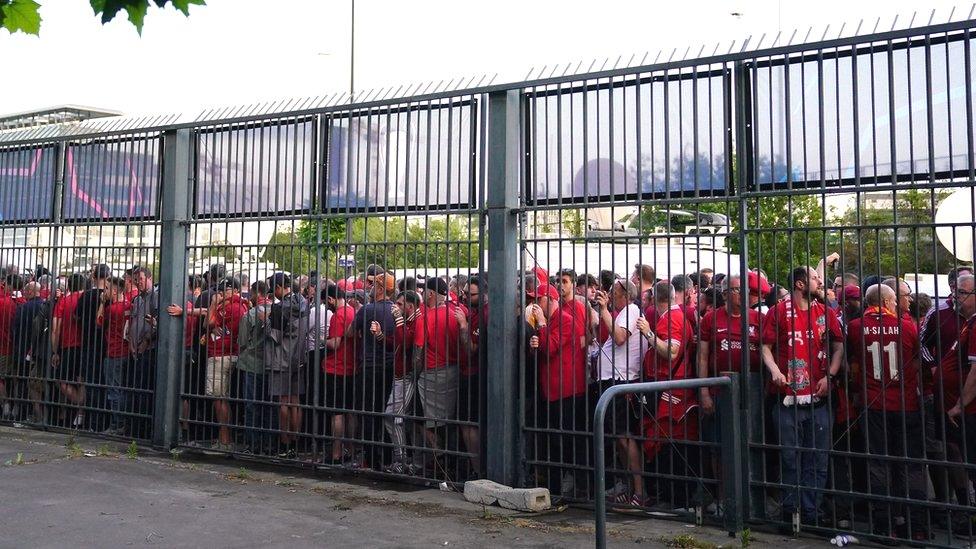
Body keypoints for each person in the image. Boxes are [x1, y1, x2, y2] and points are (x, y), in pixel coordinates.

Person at [760, 266, 844, 529]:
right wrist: (774, 370)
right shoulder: (778, 312)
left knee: (817, 459)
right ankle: (790, 511)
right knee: (789, 457)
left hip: (818, 398)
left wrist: (830, 376)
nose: (820, 282)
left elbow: (838, 346)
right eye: (815, 278)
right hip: (786, 398)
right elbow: (765, 347)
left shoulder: (826, 312)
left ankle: (811, 512)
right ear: (799, 284)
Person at [846, 283, 927, 542]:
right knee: (910, 463)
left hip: (873, 403)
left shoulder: (856, 327)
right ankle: (917, 525)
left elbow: (854, 364)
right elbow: (916, 361)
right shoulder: (907, 326)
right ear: (886, 301)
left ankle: (883, 524)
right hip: (905, 403)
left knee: (878, 462)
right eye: (895, 299)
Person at [698, 273, 761, 516]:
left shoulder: (757, 318)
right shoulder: (711, 319)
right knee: (719, 446)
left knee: (751, 444)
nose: (742, 293)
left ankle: (752, 497)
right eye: (736, 289)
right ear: (725, 294)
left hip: (751, 391)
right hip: (720, 390)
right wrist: (704, 391)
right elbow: (702, 356)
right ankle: (724, 497)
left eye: (745, 289)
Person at [920, 266, 975, 521]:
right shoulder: (938, 312)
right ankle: (962, 504)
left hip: (968, 397)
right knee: (952, 450)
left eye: (966, 292)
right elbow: (921, 344)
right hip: (946, 395)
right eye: (959, 290)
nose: (960, 296)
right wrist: (934, 366)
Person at [527, 271, 588, 496]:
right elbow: (543, 349)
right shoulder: (550, 320)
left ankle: (580, 487)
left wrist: (541, 327)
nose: (534, 304)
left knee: (569, 440)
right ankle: (554, 486)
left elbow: (551, 347)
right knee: (552, 440)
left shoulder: (565, 320)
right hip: (551, 390)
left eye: (538, 300)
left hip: (567, 390)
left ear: (549, 300)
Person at [593, 279, 647, 507]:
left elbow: (620, 337)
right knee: (617, 437)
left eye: (614, 292)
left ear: (625, 293)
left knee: (625, 437)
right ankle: (628, 485)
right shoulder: (624, 312)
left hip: (621, 380)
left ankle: (640, 491)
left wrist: (604, 310)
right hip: (612, 380)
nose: (610, 295)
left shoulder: (631, 310)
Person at [413, 277, 468, 472]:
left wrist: (414, 375)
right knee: (451, 420)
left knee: (424, 419)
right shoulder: (459, 310)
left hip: (432, 374)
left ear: (430, 293)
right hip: (457, 370)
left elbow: (418, 352)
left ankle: (441, 459)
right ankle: (455, 462)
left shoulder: (424, 317)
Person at [349, 272, 397, 469]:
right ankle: (386, 456)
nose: (369, 289)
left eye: (372, 286)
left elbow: (351, 332)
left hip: (369, 366)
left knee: (368, 413)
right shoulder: (396, 310)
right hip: (390, 367)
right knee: (385, 411)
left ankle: (371, 458)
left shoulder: (368, 309)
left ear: (379, 288)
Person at [265, 273, 309, 458]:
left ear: (278, 287)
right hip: (299, 358)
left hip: (280, 359)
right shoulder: (305, 303)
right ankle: (296, 442)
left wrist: (265, 321)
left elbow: (274, 336)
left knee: (283, 402)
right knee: (295, 401)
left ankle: (284, 443)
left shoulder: (278, 308)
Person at [204, 276, 248, 451]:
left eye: (225, 290)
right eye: (219, 291)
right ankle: (225, 439)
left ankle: (224, 440)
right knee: (222, 398)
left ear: (236, 291)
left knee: (219, 398)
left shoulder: (231, 307)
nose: (221, 294)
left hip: (221, 355)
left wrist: (214, 305)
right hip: (229, 354)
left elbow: (208, 323)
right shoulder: (241, 305)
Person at [383, 290, 422, 475]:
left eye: (399, 304)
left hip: (408, 377)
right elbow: (398, 342)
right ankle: (402, 459)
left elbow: (406, 341)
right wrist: (382, 337)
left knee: (393, 417)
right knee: (397, 418)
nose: (395, 308)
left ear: (410, 306)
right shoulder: (408, 320)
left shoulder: (416, 320)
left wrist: (398, 319)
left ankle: (401, 460)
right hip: (400, 376)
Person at [322, 284, 359, 465]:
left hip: (336, 367)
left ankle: (336, 453)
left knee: (336, 413)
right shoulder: (353, 311)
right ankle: (350, 450)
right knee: (350, 412)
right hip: (352, 367)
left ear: (330, 299)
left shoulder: (338, 315)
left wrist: (323, 340)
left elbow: (335, 343)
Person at [236, 281, 273, 455]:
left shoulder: (249, 315)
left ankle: (252, 443)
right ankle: (268, 442)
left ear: (254, 293)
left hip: (251, 363)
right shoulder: (277, 311)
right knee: (268, 405)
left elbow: (242, 341)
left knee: (252, 405)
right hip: (272, 365)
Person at [51, 273, 88, 428]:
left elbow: (55, 329)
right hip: (86, 345)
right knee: (81, 380)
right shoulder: (88, 297)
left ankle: (80, 405)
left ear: (69, 286)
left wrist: (55, 351)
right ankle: (82, 409)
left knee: (62, 381)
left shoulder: (64, 301)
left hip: (67, 346)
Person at [459, 275, 487, 478]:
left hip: (475, 374)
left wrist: (462, 325)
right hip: (471, 373)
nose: (465, 296)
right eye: (465, 292)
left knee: (469, 423)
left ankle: (479, 470)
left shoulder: (482, 315)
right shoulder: (477, 312)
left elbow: (471, 349)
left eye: (471, 294)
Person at [97, 277, 130, 436]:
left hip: (113, 351)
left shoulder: (112, 309)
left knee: (114, 390)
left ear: (115, 291)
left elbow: (98, 322)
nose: (104, 292)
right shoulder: (129, 305)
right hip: (126, 351)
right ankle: (122, 423)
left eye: (107, 289)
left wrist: (102, 303)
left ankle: (117, 424)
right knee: (122, 389)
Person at [128, 266, 159, 437]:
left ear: (149, 278)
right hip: (136, 348)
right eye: (135, 280)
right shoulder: (138, 299)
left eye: (140, 279)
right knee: (138, 387)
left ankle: (145, 428)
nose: (137, 283)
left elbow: (156, 323)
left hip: (148, 349)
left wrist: (147, 340)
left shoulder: (155, 297)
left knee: (145, 388)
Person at [11, 282, 45, 423]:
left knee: (24, 383)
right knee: (40, 384)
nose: (24, 293)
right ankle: (41, 414)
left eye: (25, 291)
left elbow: (15, 329)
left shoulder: (23, 308)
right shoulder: (45, 306)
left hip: (23, 350)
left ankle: (22, 414)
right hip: (40, 351)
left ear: (30, 291)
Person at [0, 276, 17, 419]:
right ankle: (16, 406)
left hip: (3, 347)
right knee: (14, 378)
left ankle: (5, 405)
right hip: (17, 347)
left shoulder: (2, 302)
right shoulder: (18, 302)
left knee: (2, 378)